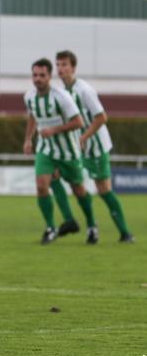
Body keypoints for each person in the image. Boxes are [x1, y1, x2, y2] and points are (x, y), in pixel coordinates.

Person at [55, 50, 133, 243]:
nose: (60, 68)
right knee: (68, 181)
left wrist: (84, 137)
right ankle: (91, 227)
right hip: (76, 147)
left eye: (64, 64)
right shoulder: (61, 92)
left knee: (104, 189)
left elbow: (101, 117)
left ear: (73, 67)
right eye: (58, 64)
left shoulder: (84, 90)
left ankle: (125, 232)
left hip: (96, 147)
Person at [22, 58, 95, 245]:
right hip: (45, 149)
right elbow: (32, 116)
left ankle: (91, 225)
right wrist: (28, 139)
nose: (37, 79)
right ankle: (50, 227)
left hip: (68, 152)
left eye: (42, 75)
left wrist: (54, 130)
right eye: (35, 75)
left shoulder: (61, 96)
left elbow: (79, 122)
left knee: (78, 190)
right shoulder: (29, 96)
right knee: (41, 185)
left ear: (49, 76)